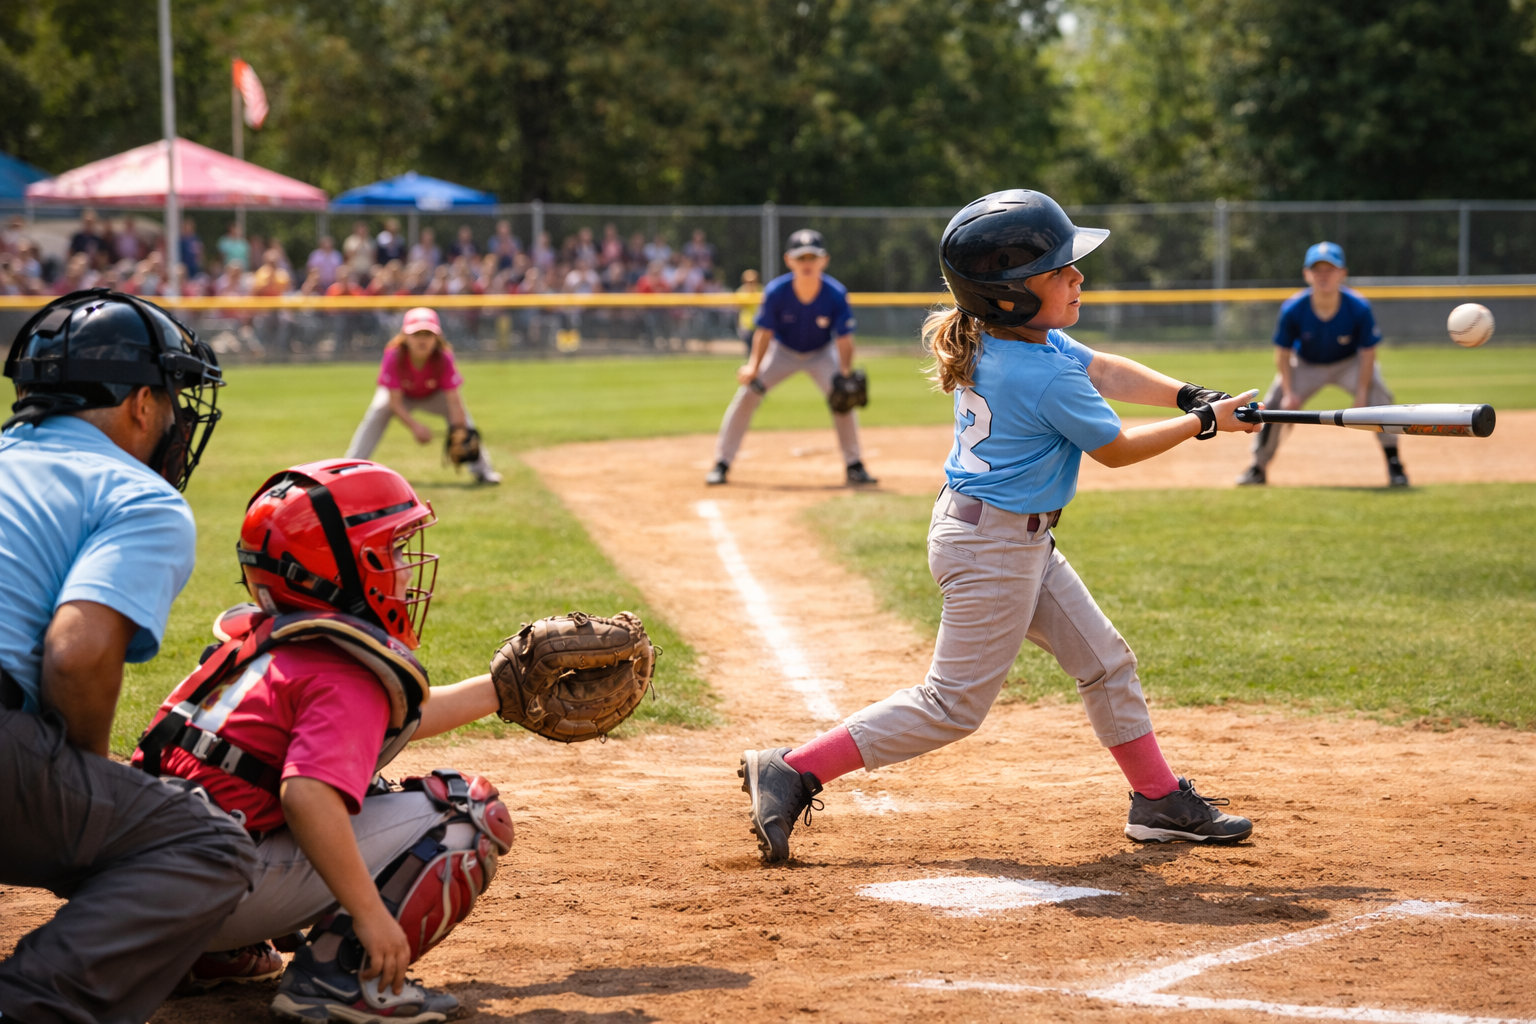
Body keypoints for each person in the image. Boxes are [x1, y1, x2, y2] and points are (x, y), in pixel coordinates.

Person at [736, 191, 1259, 864]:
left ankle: (1158, 800)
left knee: (1106, 663)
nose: (1078, 277)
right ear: (1010, 294)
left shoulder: (1010, 338)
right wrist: (1204, 423)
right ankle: (793, 768)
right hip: (994, 547)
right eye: (1060, 271)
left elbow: (1102, 367)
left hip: (1003, 536)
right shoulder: (1040, 372)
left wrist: (1189, 395)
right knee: (952, 705)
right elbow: (1117, 449)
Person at [133, 458, 515, 1022]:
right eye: (391, 550)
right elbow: (306, 796)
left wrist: (503, 689)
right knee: (467, 812)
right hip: (210, 890)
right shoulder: (342, 668)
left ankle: (208, 956)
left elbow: (388, 722)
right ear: (343, 566)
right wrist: (372, 916)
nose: (405, 566)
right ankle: (339, 979)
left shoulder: (262, 643)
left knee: (319, 786)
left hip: (136, 894)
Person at [0, 290, 258, 1022]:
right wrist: (82, 774)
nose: (177, 418)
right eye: (173, 397)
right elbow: (77, 653)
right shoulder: (138, 495)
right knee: (209, 845)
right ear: (142, 404)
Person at [705, 229, 875, 486]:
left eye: (812, 257)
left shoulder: (835, 293)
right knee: (748, 395)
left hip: (821, 354)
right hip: (782, 352)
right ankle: (722, 462)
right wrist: (753, 367)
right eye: (800, 257)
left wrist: (844, 372)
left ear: (824, 260)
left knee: (843, 400)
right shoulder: (777, 291)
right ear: (789, 260)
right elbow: (764, 333)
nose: (807, 263)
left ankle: (854, 464)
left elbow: (844, 339)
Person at [1235, 241, 1406, 487]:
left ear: (1342, 273)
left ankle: (1394, 463)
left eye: (1330, 269)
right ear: (1307, 274)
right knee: (1274, 401)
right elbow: (1282, 354)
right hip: (1306, 364)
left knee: (1379, 393)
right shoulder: (1294, 308)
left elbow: (1368, 353)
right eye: (1317, 270)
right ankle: (1258, 467)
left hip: (1348, 363)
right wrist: (1290, 393)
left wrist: (1361, 393)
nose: (1323, 275)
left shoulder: (1358, 306)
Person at [343, 307, 501, 484]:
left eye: (428, 334)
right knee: (378, 410)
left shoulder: (443, 357)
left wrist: (459, 430)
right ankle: (350, 467)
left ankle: (483, 471)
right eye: (416, 334)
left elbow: (454, 402)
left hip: (433, 396)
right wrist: (415, 427)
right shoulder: (394, 355)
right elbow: (395, 403)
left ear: (437, 337)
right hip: (402, 397)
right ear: (405, 336)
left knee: (464, 420)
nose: (422, 339)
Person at [735, 268, 762, 354]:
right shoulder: (741, 291)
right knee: (750, 349)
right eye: (749, 281)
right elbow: (737, 307)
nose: (751, 283)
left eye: (753, 281)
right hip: (746, 324)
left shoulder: (762, 290)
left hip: (759, 324)